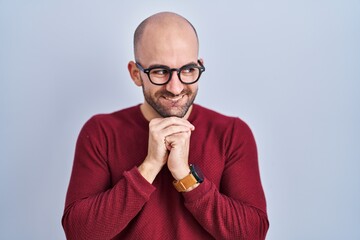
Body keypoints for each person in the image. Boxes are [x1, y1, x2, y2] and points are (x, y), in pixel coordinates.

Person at [62, 11, 269, 240]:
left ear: (200, 66)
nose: (175, 87)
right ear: (135, 74)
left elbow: (253, 234)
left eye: (188, 70)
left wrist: (185, 175)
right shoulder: (101, 132)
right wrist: (149, 166)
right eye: (160, 72)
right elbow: (79, 233)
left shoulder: (232, 133)